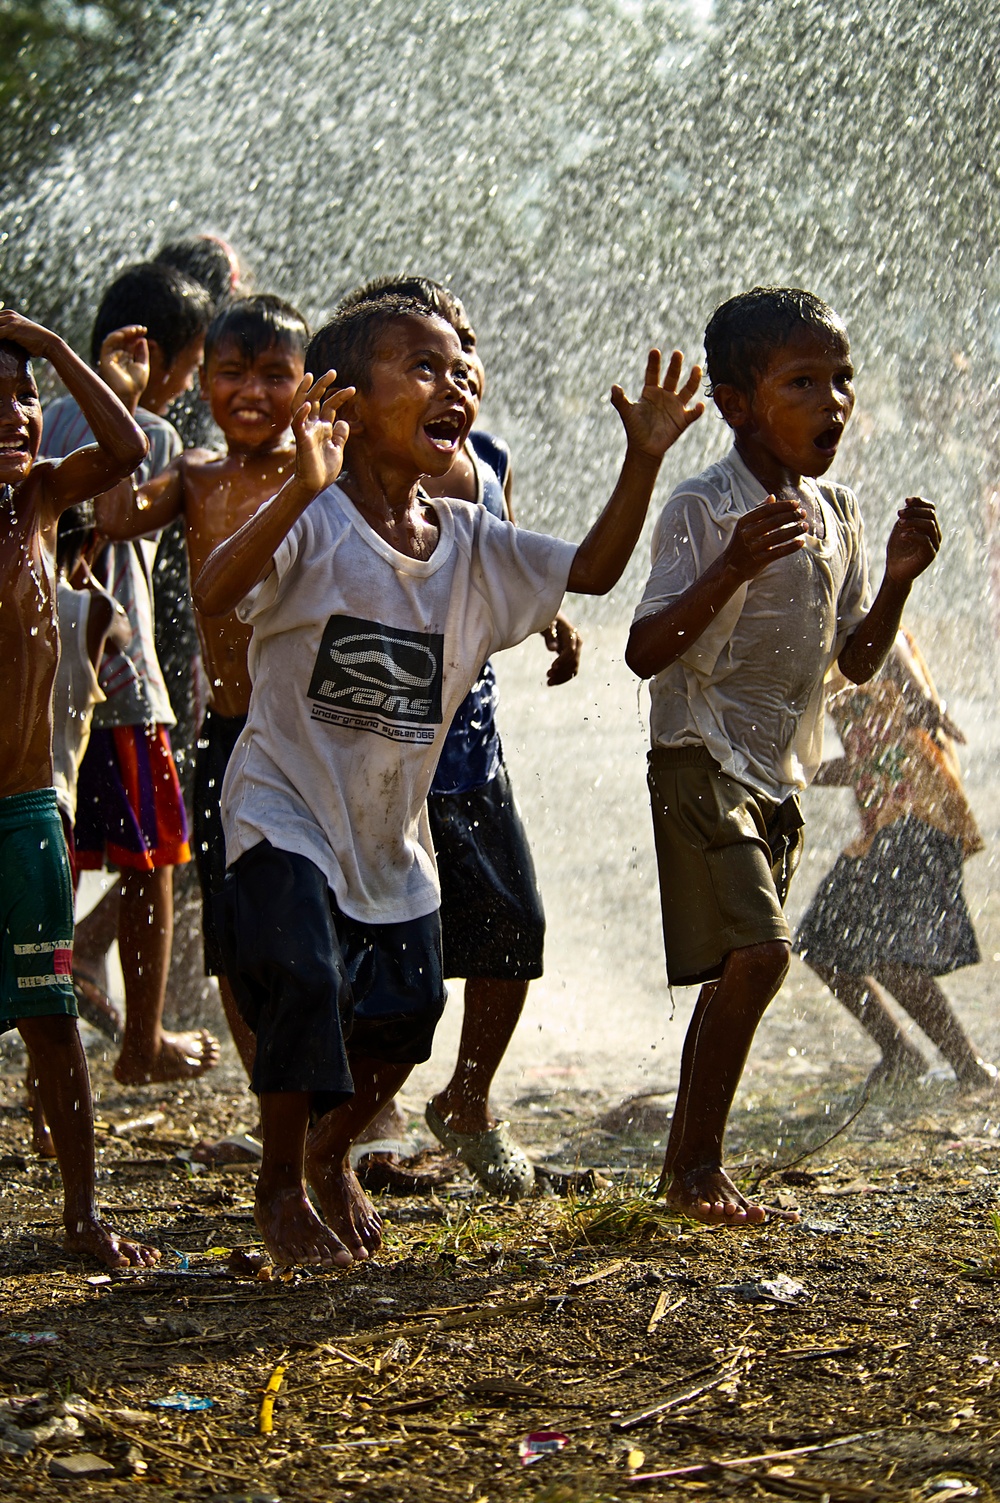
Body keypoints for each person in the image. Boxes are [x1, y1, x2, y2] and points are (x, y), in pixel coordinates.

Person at [193, 293, 703, 1267]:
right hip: (281, 805)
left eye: (462, 371)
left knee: (405, 1024)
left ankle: (327, 1155)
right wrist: (298, 491)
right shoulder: (315, 518)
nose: (454, 385)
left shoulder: (466, 543)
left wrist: (642, 456)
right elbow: (217, 592)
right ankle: (277, 1190)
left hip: (390, 836)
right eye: (421, 368)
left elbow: (592, 571)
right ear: (343, 401)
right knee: (304, 977)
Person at [625, 285, 941, 1226]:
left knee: (734, 972)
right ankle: (696, 1165)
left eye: (842, 380)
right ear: (734, 402)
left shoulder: (837, 509)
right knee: (761, 957)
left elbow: (856, 660)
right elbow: (645, 651)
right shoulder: (703, 506)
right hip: (698, 754)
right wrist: (732, 563)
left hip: (776, 774)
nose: (832, 402)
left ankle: (684, 1168)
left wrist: (895, 582)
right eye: (803, 381)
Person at [339, 276, 582, 1200]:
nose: (456, 370)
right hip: (375, 737)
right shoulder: (349, 456)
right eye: (427, 359)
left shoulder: (486, 454)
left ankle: (469, 1098)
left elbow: (503, 551)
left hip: (466, 732)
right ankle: (365, 1114)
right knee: (383, 938)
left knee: (511, 928)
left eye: (465, 349)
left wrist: (553, 620)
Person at [95, 293, 311, 1082]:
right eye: (231, 373)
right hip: (232, 733)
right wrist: (120, 398)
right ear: (203, 384)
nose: (250, 392)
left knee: (333, 912)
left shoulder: (322, 471)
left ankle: (350, 1101)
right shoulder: (193, 474)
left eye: (273, 375)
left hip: (320, 732)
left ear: (305, 383)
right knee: (235, 925)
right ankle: (272, 1101)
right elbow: (115, 515)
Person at [0, 306, 158, 1268]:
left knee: (49, 1019)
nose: (18, 417)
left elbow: (128, 442)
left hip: (24, 818)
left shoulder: (39, 507)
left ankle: (81, 1216)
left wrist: (55, 349)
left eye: (23, 399)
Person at [39, 261, 220, 1086]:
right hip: (122, 684)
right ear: (173, 360)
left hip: (43, 684)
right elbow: (109, 519)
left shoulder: (38, 421)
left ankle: (48, 1074)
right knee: (154, 863)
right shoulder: (157, 435)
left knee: (52, 864)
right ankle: (142, 1044)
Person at [794, 629, 996, 1089]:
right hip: (881, 824)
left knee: (892, 959)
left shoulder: (875, 631)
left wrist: (927, 701)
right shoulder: (826, 663)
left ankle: (971, 1069)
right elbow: (861, 762)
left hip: (920, 814)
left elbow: (899, 655)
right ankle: (901, 1054)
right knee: (823, 945)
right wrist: (789, 773)